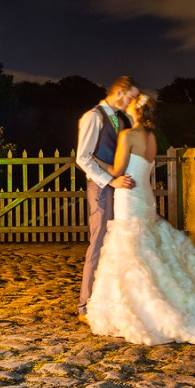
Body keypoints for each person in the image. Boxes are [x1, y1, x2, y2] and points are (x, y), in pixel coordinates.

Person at [86, 94, 195, 346]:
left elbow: (117, 171)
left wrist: (94, 159)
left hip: (128, 196)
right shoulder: (152, 138)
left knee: (131, 251)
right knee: (147, 250)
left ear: (136, 112)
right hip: (145, 198)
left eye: (128, 106)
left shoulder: (127, 136)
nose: (125, 108)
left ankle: (143, 309)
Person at [76, 76, 140, 323]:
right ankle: (85, 305)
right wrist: (109, 180)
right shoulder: (93, 116)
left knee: (118, 242)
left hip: (121, 189)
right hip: (101, 188)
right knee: (99, 241)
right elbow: (83, 157)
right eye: (131, 96)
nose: (132, 100)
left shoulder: (123, 118)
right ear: (120, 92)